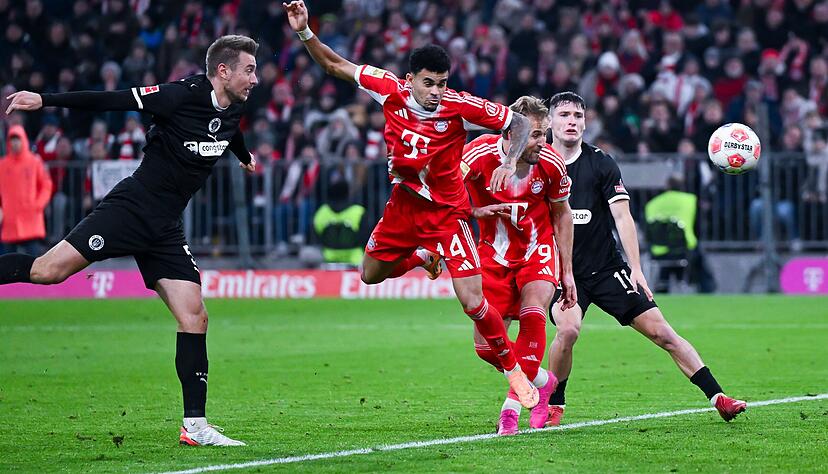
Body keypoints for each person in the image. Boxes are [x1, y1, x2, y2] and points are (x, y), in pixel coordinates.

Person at [1, 35, 259, 446]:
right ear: (223, 71)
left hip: (166, 228)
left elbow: (230, 131)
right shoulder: (178, 95)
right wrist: (45, 100)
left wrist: (243, 157)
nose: (255, 78)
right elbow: (111, 99)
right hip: (131, 209)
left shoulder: (236, 105)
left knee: (195, 316)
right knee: (46, 271)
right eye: (248, 69)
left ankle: (195, 427)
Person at [282, 0, 539, 407]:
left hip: (447, 214)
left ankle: (514, 372)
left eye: (442, 83)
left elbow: (519, 122)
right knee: (368, 274)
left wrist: (509, 162)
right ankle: (422, 257)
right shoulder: (387, 89)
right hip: (403, 209)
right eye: (429, 83)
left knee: (473, 301)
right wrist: (304, 32)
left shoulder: (460, 105)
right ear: (410, 80)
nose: (437, 92)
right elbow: (335, 65)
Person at [543, 92, 746, 427]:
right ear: (550, 121)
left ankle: (718, 397)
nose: (572, 122)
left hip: (607, 269)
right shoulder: (539, 163)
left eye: (578, 116)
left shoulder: (601, 163)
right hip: (560, 273)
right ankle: (555, 403)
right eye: (564, 115)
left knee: (663, 333)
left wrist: (636, 269)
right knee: (568, 330)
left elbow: (623, 218)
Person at [462, 96, 576, 435]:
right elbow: (445, 192)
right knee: (485, 348)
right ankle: (544, 380)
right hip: (493, 256)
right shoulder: (479, 154)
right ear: (510, 132)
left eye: (543, 134)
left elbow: (562, 214)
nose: (541, 142)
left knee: (533, 314)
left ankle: (511, 409)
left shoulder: (552, 163)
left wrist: (567, 271)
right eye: (533, 134)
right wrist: (473, 212)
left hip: (536, 250)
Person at [0, 124, 53, 255]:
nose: (14, 143)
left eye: (17, 139)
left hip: (30, 220)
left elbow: (46, 185)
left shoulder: (34, 162)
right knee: (7, 264)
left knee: (33, 264)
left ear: (23, 140)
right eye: (12, 140)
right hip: (10, 221)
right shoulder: (3, 164)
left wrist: (38, 205)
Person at [312, 179, 369, 267]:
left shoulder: (321, 213)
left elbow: (315, 238)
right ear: (347, 193)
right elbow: (366, 238)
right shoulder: (358, 212)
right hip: (355, 261)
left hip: (327, 261)